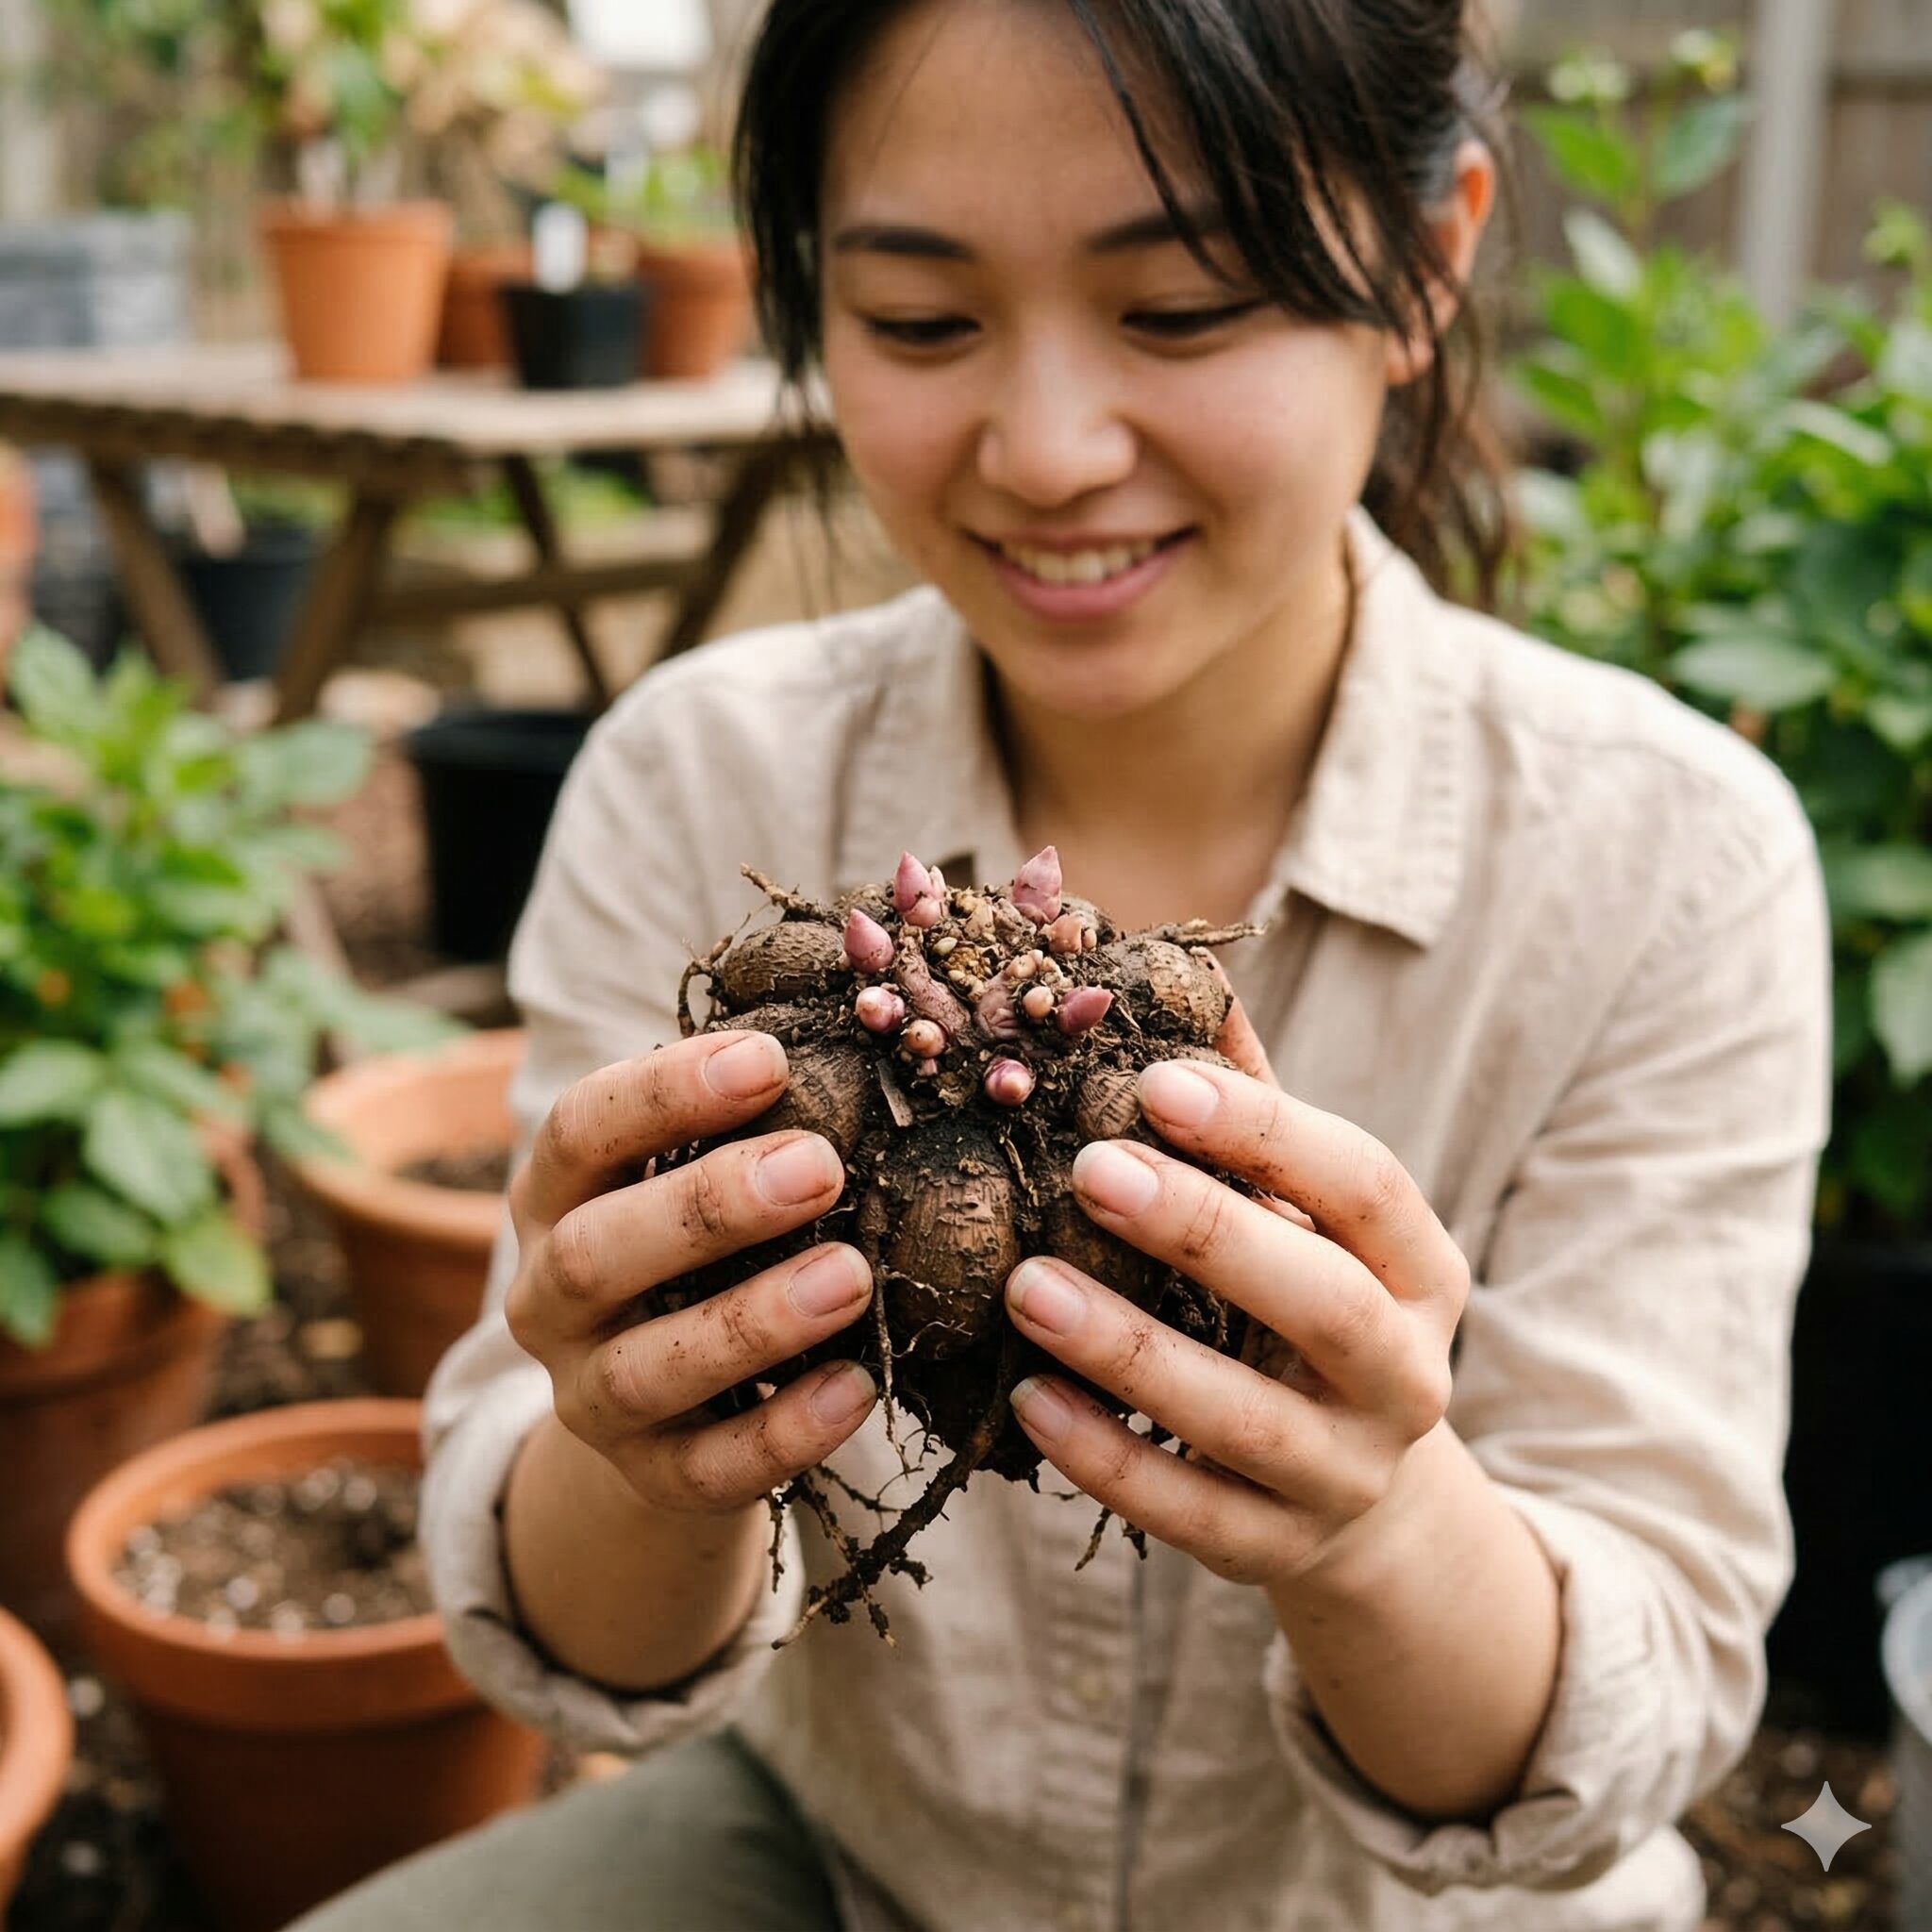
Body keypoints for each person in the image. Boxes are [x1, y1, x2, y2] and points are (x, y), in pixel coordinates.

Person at [294, 3, 1831, 1928]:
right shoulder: (698, 775)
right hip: (856, 1855)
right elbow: (577, 1636)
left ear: (1428, 259)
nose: (1045, 450)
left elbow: (1625, 1718)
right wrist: (632, 1433)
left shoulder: (1667, 859)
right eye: (922, 322)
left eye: (1179, 308)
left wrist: (1373, 1515)